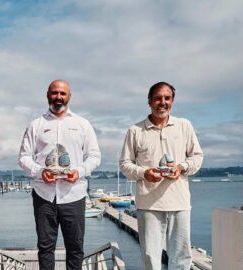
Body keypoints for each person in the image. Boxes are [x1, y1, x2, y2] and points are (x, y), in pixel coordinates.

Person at [119, 82, 203, 270]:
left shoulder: (184, 125)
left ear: (172, 101)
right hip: (148, 204)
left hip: (180, 202)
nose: (162, 102)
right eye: (158, 98)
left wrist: (181, 167)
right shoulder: (135, 130)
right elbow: (124, 164)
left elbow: (197, 157)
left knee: (181, 257)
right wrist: (144, 173)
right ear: (149, 101)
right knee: (151, 257)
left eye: (167, 98)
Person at [18, 79, 101, 270]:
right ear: (48, 95)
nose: (58, 97)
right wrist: (40, 172)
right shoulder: (36, 124)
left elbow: (94, 156)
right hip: (43, 195)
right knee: (45, 248)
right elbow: (23, 157)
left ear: (69, 96)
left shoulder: (82, 124)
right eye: (55, 93)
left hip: (74, 194)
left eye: (62, 93)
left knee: (75, 248)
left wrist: (79, 172)